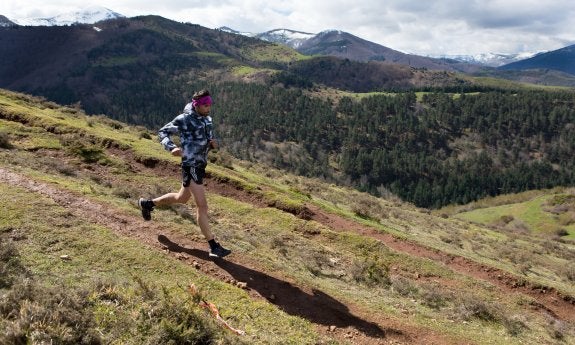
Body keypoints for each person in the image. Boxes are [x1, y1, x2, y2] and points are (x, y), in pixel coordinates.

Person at [138, 89, 231, 258]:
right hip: (191, 165)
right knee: (202, 206)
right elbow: (162, 132)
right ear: (196, 105)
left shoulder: (207, 119)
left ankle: (148, 204)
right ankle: (213, 246)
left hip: (201, 164)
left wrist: (212, 144)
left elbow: (205, 138)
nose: (208, 107)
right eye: (205, 105)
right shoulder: (184, 119)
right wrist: (171, 147)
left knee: (181, 198)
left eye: (209, 104)